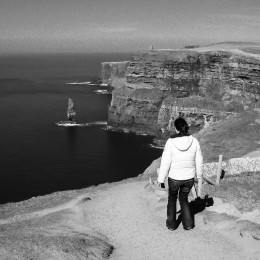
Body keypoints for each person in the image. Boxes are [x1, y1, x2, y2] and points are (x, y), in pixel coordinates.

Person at [157, 117, 203, 231]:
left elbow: (165, 162)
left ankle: (171, 225)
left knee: (172, 199)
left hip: (174, 178)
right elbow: (199, 160)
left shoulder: (170, 142)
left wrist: (161, 179)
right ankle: (188, 225)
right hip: (189, 179)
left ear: (176, 129)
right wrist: (200, 176)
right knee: (184, 199)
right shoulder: (194, 141)